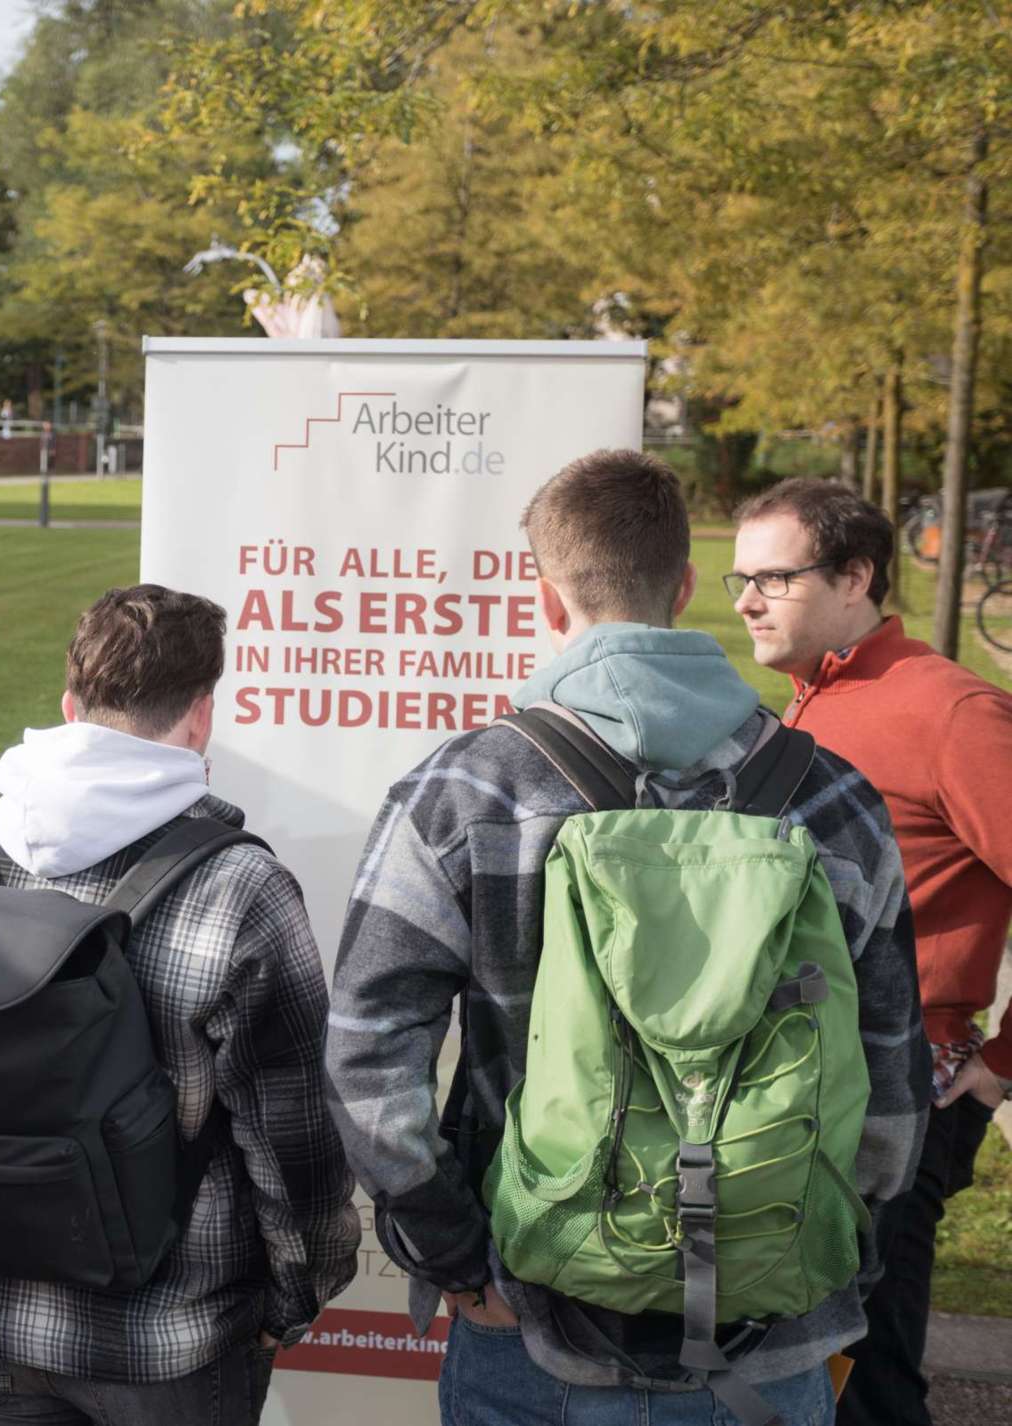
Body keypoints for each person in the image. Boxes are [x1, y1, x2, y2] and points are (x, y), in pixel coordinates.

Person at [328, 450, 929, 1425]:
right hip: (764, 1331)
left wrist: (451, 1253)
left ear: (543, 596)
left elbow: (364, 1053)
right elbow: (892, 1090)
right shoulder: (832, 796)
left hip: (531, 1320)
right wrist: (802, 1237)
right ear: (687, 585)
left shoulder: (469, 788)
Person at [0, 583, 360, 1426]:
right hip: (168, 1335)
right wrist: (301, 1293)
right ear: (201, 720)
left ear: (67, 706)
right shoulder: (244, 887)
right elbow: (296, 1136)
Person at [730, 477, 1012, 1426]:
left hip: (903, 1089)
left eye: (774, 577)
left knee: (870, 1372)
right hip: (801, 1091)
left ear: (856, 577)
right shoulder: (804, 705)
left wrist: (1000, 1064)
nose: (745, 601)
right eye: (738, 578)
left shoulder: (951, 712)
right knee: (814, 1362)